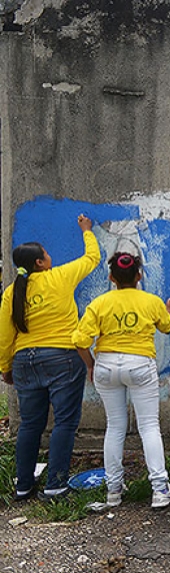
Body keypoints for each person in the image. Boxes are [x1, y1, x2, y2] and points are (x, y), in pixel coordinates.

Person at [0, 214, 101, 501]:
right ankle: (55, 484)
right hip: (62, 358)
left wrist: (6, 367)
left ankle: (23, 485)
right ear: (41, 263)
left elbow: (5, 336)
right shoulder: (60, 276)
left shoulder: (11, 293)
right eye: (46, 253)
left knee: (30, 424)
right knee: (65, 423)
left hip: (24, 362)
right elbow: (92, 258)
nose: (49, 255)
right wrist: (86, 230)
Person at [72, 252, 170, 508]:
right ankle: (159, 488)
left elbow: (79, 341)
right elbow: (166, 327)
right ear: (139, 275)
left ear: (111, 277)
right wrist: (169, 308)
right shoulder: (150, 301)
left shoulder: (99, 303)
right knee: (149, 427)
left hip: (106, 366)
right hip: (139, 364)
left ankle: (113, 490)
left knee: (115, 426)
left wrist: (91, 365)